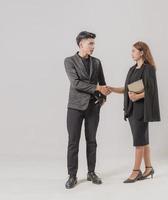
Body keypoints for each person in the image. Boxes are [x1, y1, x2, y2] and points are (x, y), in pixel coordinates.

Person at [64, 31, 111, 189]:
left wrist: (103, 98)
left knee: (92, 141)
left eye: (93, 43)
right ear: (81, 44)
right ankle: (72, 176)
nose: (93, 46)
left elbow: (103, 84)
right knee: (73, 142)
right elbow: (75, 83)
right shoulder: (69, 61)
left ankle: (91, 172)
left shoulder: (97, 62)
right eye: (90, 43)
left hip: (93, 107)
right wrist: (97, 87)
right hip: (75, 108)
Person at [109, 41, 161, 183]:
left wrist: (137, 96)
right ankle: (149, 168)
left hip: (142, 110)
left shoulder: (148, 69)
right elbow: (127, 89)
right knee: (143, 141)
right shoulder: (132, 70)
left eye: (134, 51)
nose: (132, 53)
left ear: (142, 52)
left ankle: (136, 171)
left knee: (139, 141)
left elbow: (151, 90)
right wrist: (111, 89)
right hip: (132, 110)